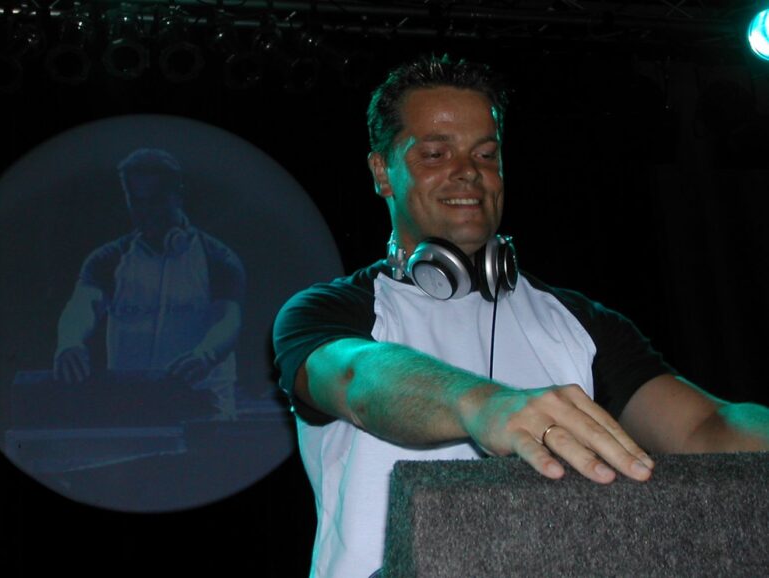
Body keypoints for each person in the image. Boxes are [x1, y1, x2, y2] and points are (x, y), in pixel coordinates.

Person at [272, 55, 769, 577]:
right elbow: (355, 380)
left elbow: (706, 426)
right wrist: (485, 406)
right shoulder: (328, 310)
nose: (468, 171)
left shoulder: (577, 321)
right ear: (382, 173)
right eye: (436, 153)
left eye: (486, 154)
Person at [54, 148, 246, 419]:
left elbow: (228, 319)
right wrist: (70, 340)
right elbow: (82, 304)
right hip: (132, 409)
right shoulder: (109, 259)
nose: (146, 211)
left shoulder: (217, 258)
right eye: (136, 201)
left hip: (206, 408)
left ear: (178, 195)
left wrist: (206, 355)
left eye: (156, 201)